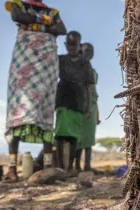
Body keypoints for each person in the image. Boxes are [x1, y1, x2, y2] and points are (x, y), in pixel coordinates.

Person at [3, 0, 67, 182]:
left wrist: (34, 21)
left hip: (46, 64)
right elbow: (18, 17)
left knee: (46, 107)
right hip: (24, 61)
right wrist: (46, 24)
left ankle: (47, 167)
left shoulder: (54, 10)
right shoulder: (18, 4)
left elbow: (62, 29)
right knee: (18, 107)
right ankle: (12, 168)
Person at [55, 31, 95, 175]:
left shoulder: (85, 63)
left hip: (78, 102)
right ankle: (60, 167)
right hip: (62, 101)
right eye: (69, 44)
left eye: (75, 44)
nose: (71, 47)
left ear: (79, 45)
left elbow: (88, 87)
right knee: (60, 135)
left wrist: (88, 107)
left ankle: (70, 167)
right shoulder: (60, 60)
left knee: (73, 137)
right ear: (65, 44)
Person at [74, 43, 100, 171]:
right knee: (78, 138)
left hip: (92, 107)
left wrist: (96, 113)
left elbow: (95, 94)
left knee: (89, 138)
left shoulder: (94, 72)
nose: (89, 52)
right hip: (81, 107)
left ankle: (87, 165)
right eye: (86, 50)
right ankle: (76, 165)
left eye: (91, 50)